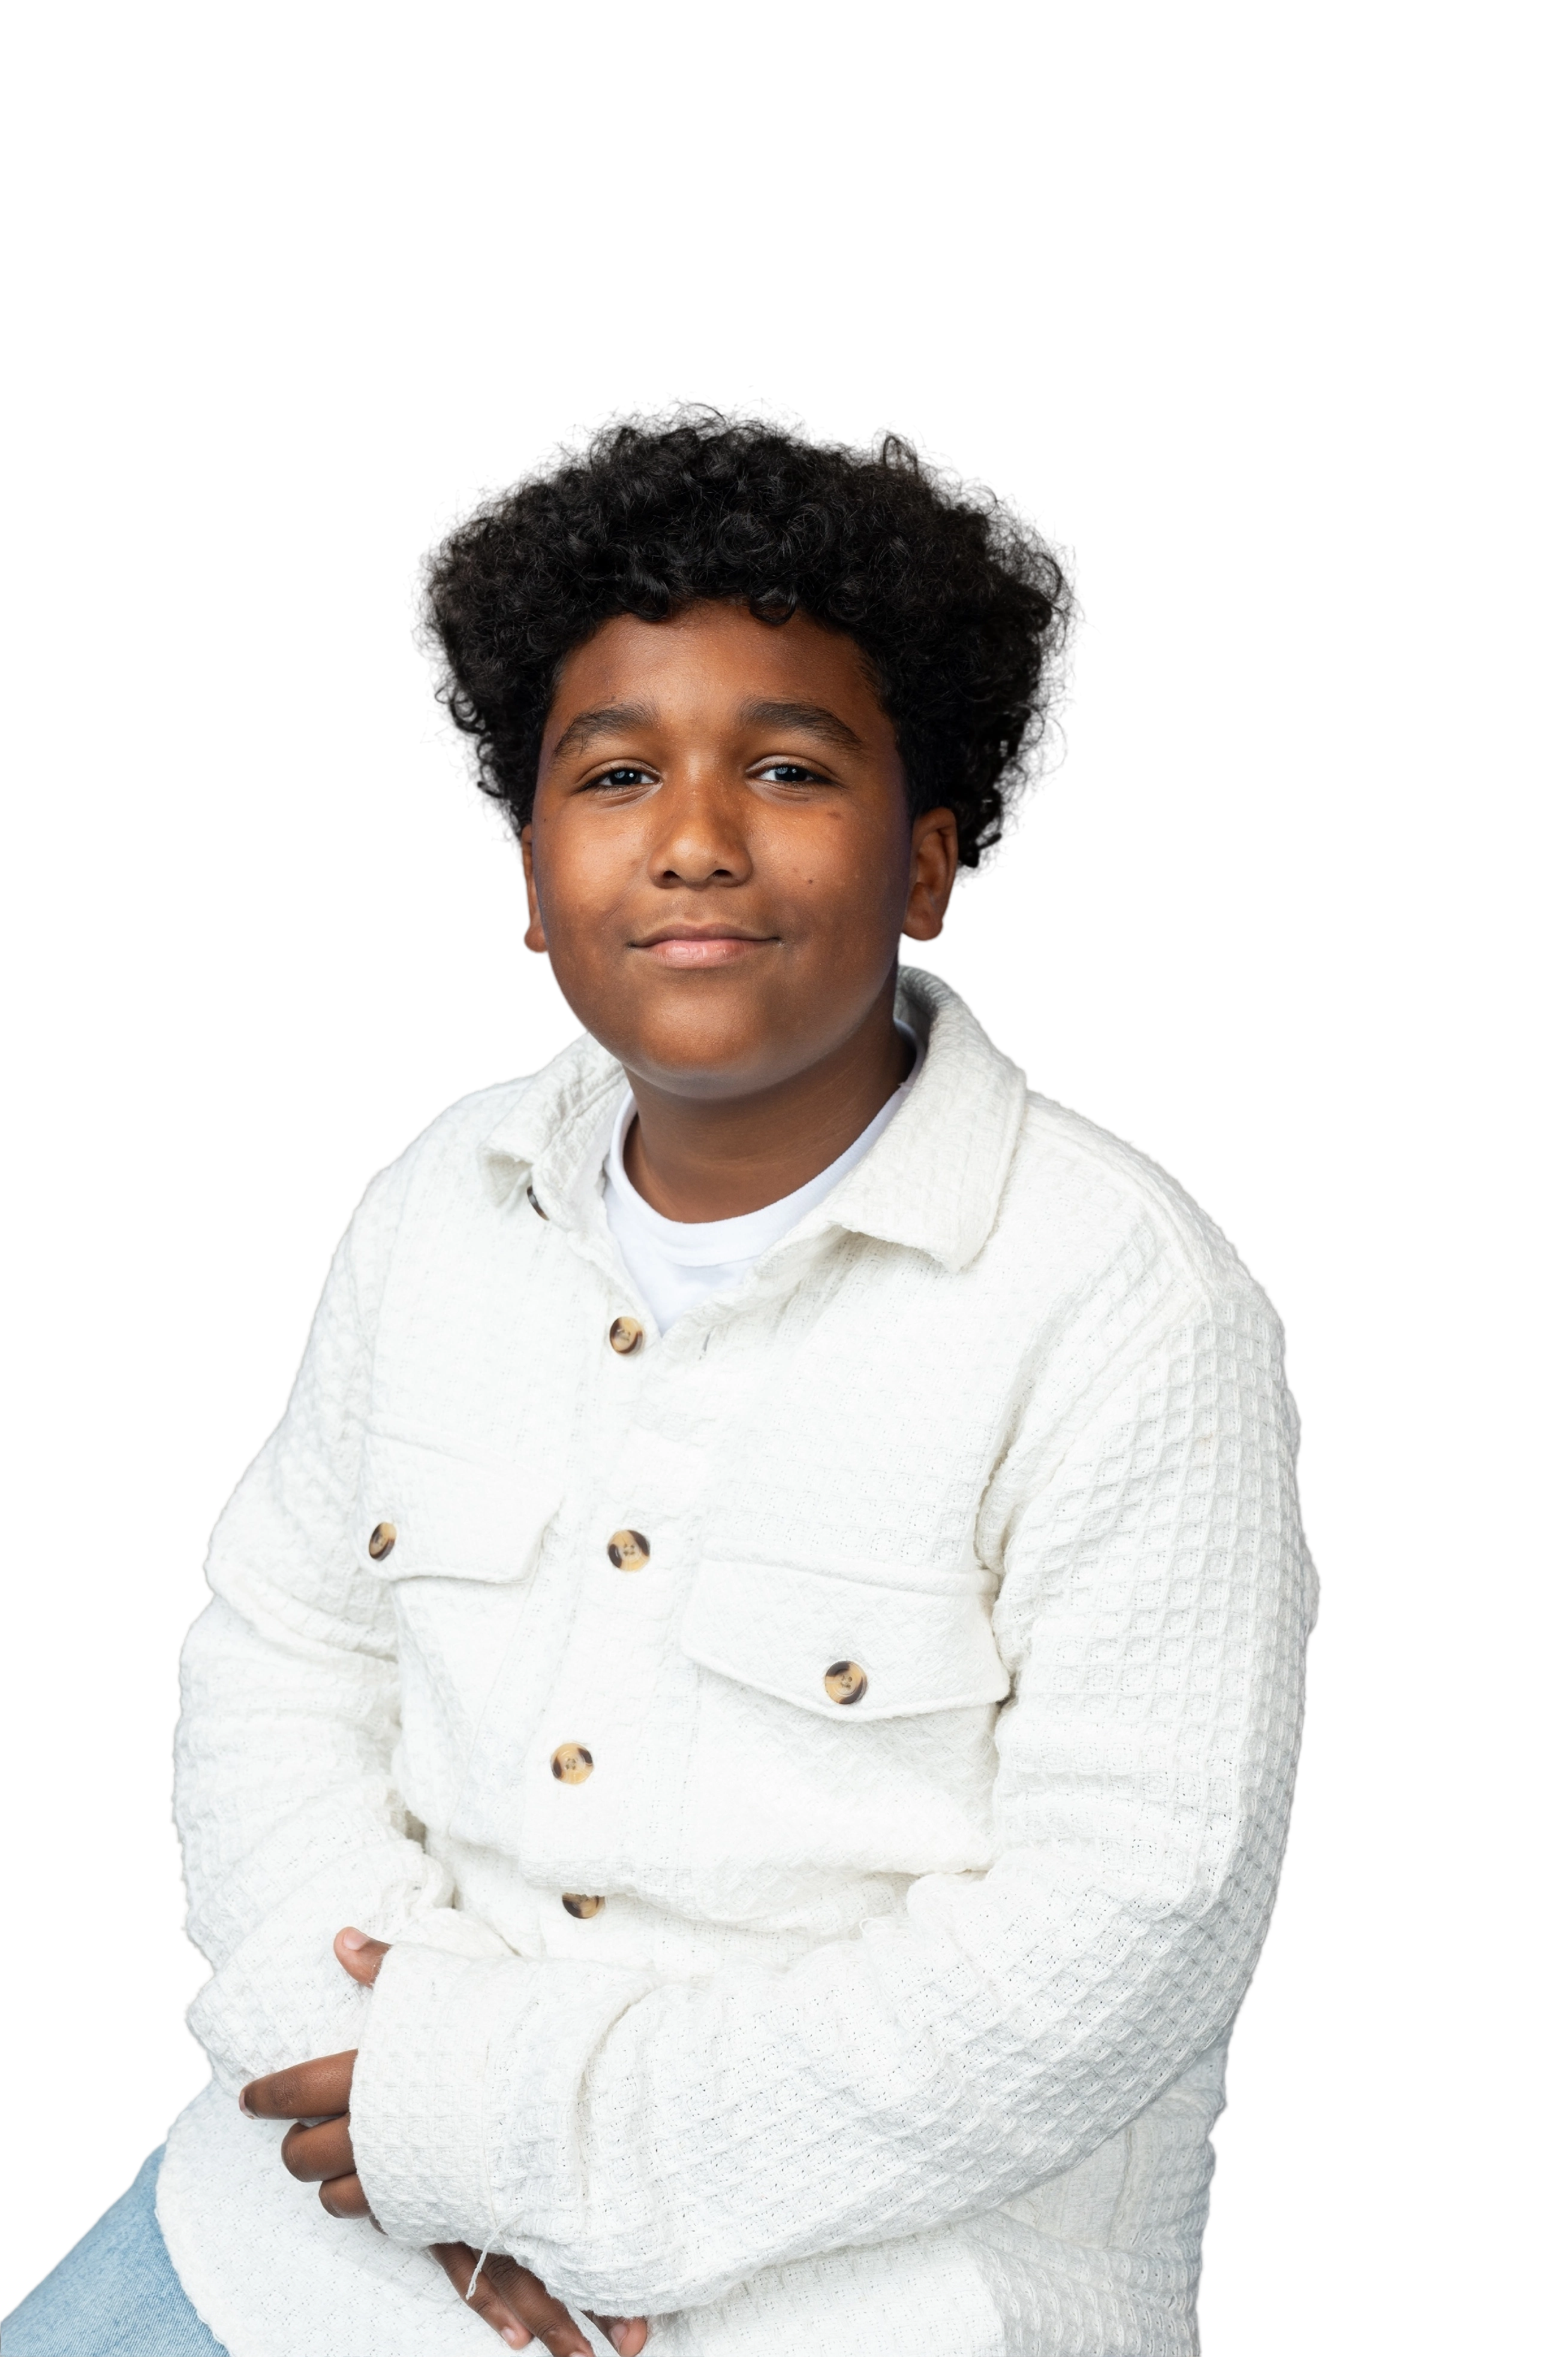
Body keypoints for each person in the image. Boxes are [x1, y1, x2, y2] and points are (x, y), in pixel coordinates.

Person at [6, 393, 1318, 2357]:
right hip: (326, 2221)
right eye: (617, 776)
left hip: (867, 2288)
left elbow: (1127, 1918)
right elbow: (282, 1655)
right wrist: (376, 2092)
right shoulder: (432, 1207)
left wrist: (558, 2160)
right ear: (533, 881)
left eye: (787, 769)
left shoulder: (1125, 1302)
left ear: (928, 866)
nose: (695, 841)